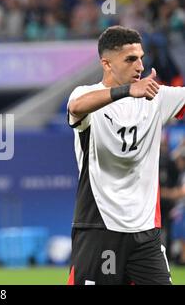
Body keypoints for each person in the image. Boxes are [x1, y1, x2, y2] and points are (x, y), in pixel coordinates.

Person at [66, 25, 185, 285]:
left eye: (141, 57)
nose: (140, 66)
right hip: (99, 228)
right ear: (107, 64)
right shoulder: (85, 94)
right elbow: (75, 107)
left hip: (145, 234)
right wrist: (126, 91)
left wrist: (139, 92)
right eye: (130, 59)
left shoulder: (156, 97)